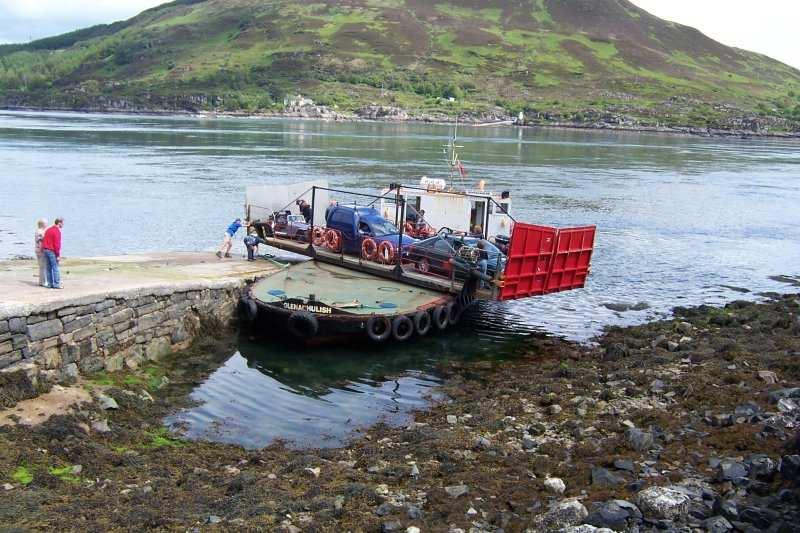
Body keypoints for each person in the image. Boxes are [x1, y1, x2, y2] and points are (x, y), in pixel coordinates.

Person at [41, 218, 64, 289]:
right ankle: (57, 284)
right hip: (51, 251)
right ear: (59, 223)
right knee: (55, 267)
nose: (63, 225)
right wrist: (58, 255)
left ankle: (50, 284)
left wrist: (43, 249)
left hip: (45, 250)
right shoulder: (57, 231)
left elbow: (44, 240)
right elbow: (57, 245)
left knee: (48, 268)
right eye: (62, 223)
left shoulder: (48, 229)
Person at [34, 218, 48, 287]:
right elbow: (40, 242)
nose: (47, 225)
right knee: (43, 267)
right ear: (43, 224)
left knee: (41, 267)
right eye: (46, 223)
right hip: (40, 250)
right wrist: (43, 250)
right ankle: (43, 282)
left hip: (38, 250)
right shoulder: (40, 232)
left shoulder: (39, 231)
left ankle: (41, 281)